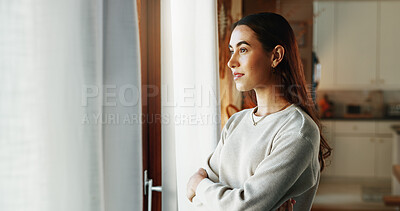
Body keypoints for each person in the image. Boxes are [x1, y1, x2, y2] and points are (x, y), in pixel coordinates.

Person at [186, 12, 332, 211]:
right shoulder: (235, 122)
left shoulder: (298, 131)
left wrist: (200, 184)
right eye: (231, 51)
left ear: (276, 56)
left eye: (243, 50)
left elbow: (243, 206)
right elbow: (194, 198)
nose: (231, 62)